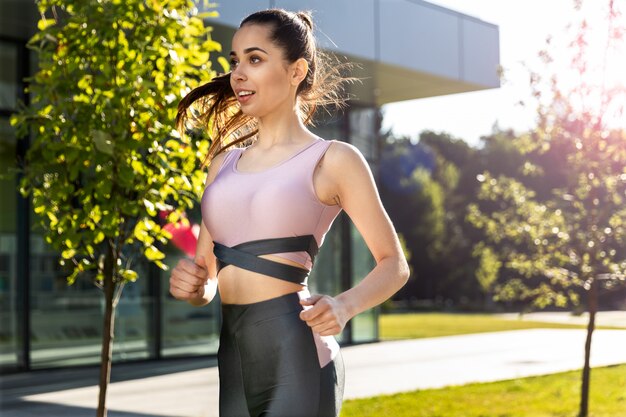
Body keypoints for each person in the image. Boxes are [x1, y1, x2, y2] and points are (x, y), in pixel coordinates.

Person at [169, 8, 409, 417]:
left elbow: (394, 265)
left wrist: (345, 306)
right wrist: (195, 287)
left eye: (255, 59)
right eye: (235, 60)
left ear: (296, 71)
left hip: (298, 352)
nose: (238, 73)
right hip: (233, 355)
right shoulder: (222, 164)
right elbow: (208, 273)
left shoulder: (333, 160)